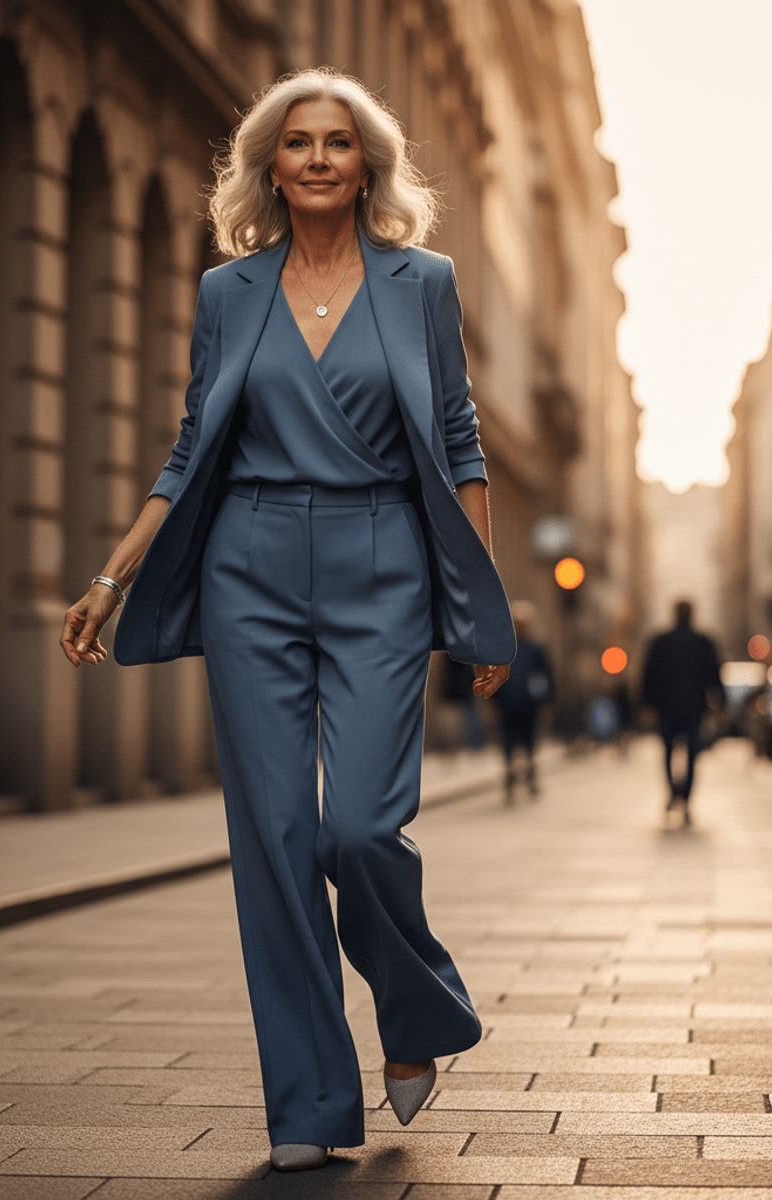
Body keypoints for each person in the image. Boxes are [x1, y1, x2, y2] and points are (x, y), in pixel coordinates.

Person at [59, 69, 515, 1173]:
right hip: (249, 564)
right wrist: (116, 574)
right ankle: (308, 1100)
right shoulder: (230, 293)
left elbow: (457, 442)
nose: (318, 158)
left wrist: (482, 601)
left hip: (384, 566)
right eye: (298, 142)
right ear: (271, 163)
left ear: (368, 168)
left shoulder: (423, 283)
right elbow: (190, 445)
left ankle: (414, 1014)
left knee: (355, 827)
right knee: (270, 842)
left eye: (339, 143)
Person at [641, 600, 722, 823]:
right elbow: (715, 675)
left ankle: (671, 792)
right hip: (694, 709)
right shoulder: (704, 642)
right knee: (693, 754)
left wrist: (646, 704)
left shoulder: (660, 642)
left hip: (666, 708)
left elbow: (648, 675)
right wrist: (720, 705)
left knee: (667, 752)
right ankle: (685, 797)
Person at [490, 600, 554, 802]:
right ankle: (510, 774)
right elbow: (493, 676)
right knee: (508, 741)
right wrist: (491, 701)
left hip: (529, 704)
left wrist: (547, 701)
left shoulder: (536, 650)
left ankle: (530, 773)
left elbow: (547, 676)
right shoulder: (503, 648)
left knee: (529, 742)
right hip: (507, 704)